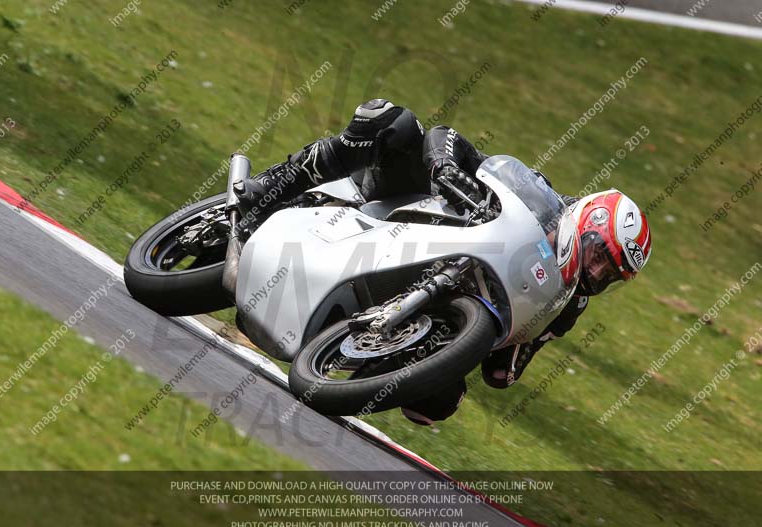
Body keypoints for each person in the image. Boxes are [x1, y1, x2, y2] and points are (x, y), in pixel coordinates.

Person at [234, 99, 653, 425]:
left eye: (609, 276)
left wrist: (508, 352)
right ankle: (271, 187)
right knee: (394, 122)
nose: (596, 273)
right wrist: (445, 168)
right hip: (398, 206)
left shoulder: (569, 303)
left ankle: (356, 348)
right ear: (588, 222)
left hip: (437, 298)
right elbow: (445, 136)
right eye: (601, 257)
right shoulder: (537, 196)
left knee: (437, 402)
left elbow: (501, 371)